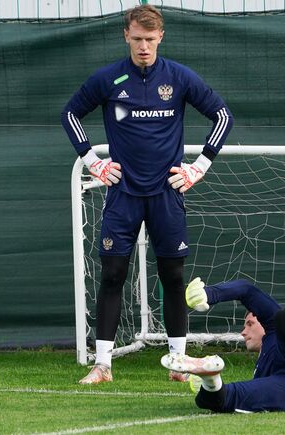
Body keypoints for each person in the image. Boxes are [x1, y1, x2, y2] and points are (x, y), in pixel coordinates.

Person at [61, 5, 234, 384]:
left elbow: (222, 115)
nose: (143, 46)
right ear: (126, 36)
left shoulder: (178, 78)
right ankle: (103, 364)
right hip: (123, 193)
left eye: (150, 40)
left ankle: (178, 363)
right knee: (112, 274)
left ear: (161, 38)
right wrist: (94, 161)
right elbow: (71, 114)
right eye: (137, 39)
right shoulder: (109, 79)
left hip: (166, 193)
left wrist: (198, 167)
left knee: (173, 276)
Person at [161, 276, 285, 412]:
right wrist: (206, 381)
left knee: (283, 321)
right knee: (217, 400)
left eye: (250, 323)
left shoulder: (271, 324)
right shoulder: (260, 368)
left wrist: (208, 294)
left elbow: (246, 289)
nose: (243, 331)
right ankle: (210, 377)